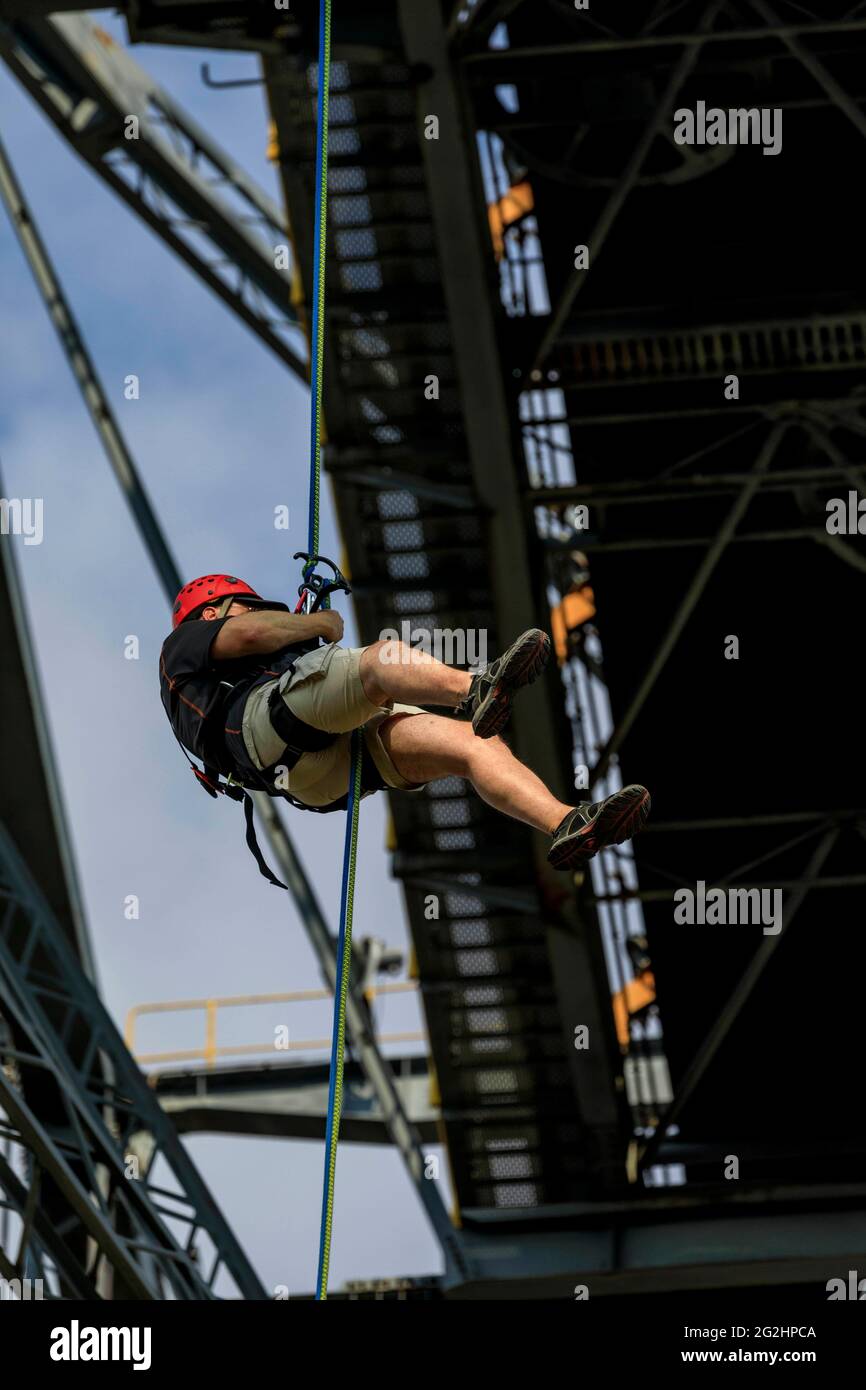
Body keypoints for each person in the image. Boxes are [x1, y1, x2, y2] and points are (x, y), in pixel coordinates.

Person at [159, 574, 650, 871]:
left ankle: (566, 823)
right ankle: (475, 689)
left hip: (311, 772)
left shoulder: (227, 663)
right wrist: (319, 625)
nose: (253, 611)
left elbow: (278, 650)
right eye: (244, 604)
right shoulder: (183, 644)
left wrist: (302, 640)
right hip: (263, 725)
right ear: (211, 611)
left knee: (472, 746)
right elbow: (252, 635)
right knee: (380, 662)